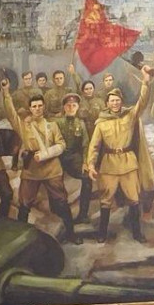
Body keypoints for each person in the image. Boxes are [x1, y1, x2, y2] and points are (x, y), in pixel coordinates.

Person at [1, 79, 81, 243]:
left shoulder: (52, 126)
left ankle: (71, 233)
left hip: (52, 169)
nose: (37, 108)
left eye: (40, 106)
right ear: (30, 109)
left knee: (61, 201)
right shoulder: (24, 126)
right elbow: (11, 114)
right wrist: (6, 93)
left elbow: (61, 145)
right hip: (31, 170)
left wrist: (46, 153)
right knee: (24, 204)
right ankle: (21, 238)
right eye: (34, 106)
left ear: (44, 107)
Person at [85, 75, 154, 243]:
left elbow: (142, 102)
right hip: (108, 166)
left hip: (128, 164)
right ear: (107, 103)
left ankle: (137, 233)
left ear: (121, 102)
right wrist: (91, 165)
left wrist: (145, 83)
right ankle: (102, 233)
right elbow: (94, 146)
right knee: (105, 200)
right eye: (112, 101)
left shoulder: (129, 116)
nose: (115, 103)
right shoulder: (101, 123)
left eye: (117, 100)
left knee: (134, 199)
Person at [54, 94, 91, 223]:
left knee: (87, 179)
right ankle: (57, 213)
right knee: (53, 181)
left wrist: (85, 162)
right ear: (64, 107)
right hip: (58, 157)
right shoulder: (57, 122)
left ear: (78, 107)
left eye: (74, 105)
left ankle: (83, 215)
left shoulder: (80, 123)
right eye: (68, 105)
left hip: (74, 157)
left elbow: (85, 144)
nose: (71, 108)